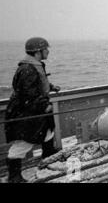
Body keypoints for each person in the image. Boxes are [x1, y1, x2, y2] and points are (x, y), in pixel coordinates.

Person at [5, 37, 61, 183]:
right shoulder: (27, 69)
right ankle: (14, 176)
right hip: (26, 113)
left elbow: (38, 84)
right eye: (46, 49)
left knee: (48, 132)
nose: (48, 51)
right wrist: (44, 105)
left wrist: (51, 86)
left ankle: (48, 156)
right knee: (23, 143)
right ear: (38, 52)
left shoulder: (33, 65)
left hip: (35, 109)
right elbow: (28, 93)